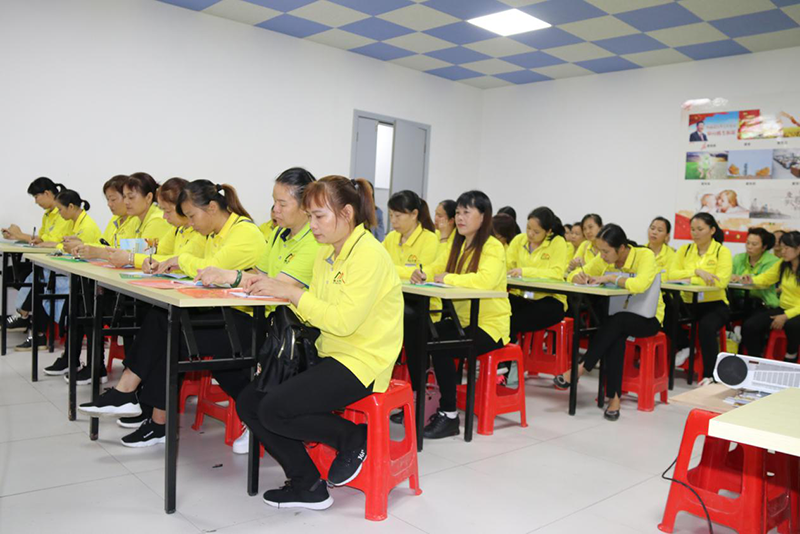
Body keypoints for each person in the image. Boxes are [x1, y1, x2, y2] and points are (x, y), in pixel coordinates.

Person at [234, 176, 402, 510]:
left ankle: (351, 436)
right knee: (250, 402)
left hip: (363, 361)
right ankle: (308, 483)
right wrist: (282, 293)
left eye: (319, 216)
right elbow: (317, 313)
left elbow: (342, 321)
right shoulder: (327, 252)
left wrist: (294, 294)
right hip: (328, 351)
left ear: (347, 213)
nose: (312, 225)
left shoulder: (368, 254)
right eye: (310, 216)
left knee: (274, 408)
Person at [77, 180, 268, 447]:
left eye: (192, 216)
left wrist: (179, 260)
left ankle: (144, 410)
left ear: (212, 208)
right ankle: (132, 397)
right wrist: (175, 262)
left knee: (168, 333)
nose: (190, 223)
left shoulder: (244, 232)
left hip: (248, 321)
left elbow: (209, 269)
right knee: (162, 320)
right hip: (222, 312)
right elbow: (189, 263)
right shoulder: (213, 233)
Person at [188, 167, 321, 453]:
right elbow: (258, 273)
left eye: (282, 203)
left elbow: (275, 286)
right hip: (267, 320)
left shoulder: (314, 241)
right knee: (218, 351)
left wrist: (231, 276)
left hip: (294, 333)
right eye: (274, 202)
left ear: (305, 206)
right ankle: (258, 415)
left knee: (224, 344)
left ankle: (263, 415)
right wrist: (232, 278)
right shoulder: (279, 235)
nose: (275, 210)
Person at [407, 191, 511, 439]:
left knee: (441, 344)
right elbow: (437, 267)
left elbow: (485, 281)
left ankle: (449, 414)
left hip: (489, 326)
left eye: (467, 212)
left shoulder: (493, 247)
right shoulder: (458, 242)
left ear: (483, 216)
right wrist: (422, 273)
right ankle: (420, 398)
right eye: (458, 212)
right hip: (462, 321)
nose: (460, 218)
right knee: (418, 331)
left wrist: (448, 278)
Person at [557, 224, 663, 420]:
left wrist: (611, 278)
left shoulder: (644, 255)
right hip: (618, 319)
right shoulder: (604, 257)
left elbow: (639, 285)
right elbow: (574, 274)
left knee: (616, 322)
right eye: (600, 251)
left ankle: (581, 367)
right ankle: (614, 399)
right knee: (616, 333)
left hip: (648, 319)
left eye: (606, 251)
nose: (602, 255)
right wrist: (577, 277)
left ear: (621, 248)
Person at [4, 178, 73, 350]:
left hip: (61, 267)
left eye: (36, 197)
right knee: (14, 273)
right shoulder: (48, 215)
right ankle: (25, 316)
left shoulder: (62, 214)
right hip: (48, 263)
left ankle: (31, 325)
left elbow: (53, 243)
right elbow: (41, 240)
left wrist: (21, 235)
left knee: (40, 283)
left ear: (47, 193)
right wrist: (17, 236)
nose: (36, 202)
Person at [666, 212, 732, 384]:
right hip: (687, 303)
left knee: (706, 327)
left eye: (700, 229)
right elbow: (671, 274)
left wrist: (690, 279)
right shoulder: (685, 250)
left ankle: (710, 375)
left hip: (714, 304)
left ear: (712, 230)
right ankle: (685, 346)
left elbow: (721, 281)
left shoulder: (721, 251)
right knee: (664, 311)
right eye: (693, 229)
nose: (695, 233)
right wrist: (697, 272)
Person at [506, 207, 568, 341]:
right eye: (528, 228)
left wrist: (524, 272)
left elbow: (556, 273)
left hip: (549, 299)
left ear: (548, 231)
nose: (530, 234)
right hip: (521, 296)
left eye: (536, 231)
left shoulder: (557, 242)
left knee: (511, 321)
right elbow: (506, 266)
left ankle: (509, 351)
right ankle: (507, 351)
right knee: (498, 310)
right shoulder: (519, 240)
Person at [740, 231, 800, 363]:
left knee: (792, 325)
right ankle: (755, 360)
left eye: (786, 248)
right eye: (782, 247)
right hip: (783, 308)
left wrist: (785, 316)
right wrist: (751, 280)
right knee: (750, 325)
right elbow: (767, 278)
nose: (782, 251)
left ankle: (791, 355)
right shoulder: (783, 264)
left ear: (798, 249)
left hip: (797, 311)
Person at [382, 190, 438, 279]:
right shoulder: (390, 237)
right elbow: (378, 263)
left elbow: (421, 273)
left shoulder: (429, 239)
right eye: (391, 215)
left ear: (414, 214)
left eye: (397, 215)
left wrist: (388, 269)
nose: (393, 220)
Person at [730, 228, 780, 312]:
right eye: (748, 243)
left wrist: (742, 278)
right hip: (738, 301)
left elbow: (764, 280)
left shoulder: (773, 261)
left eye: (754, 244)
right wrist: (731, 277)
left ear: (764, 247)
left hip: (763, 303)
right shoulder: (738, 258)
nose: (749, 247)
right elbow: (728, 275)